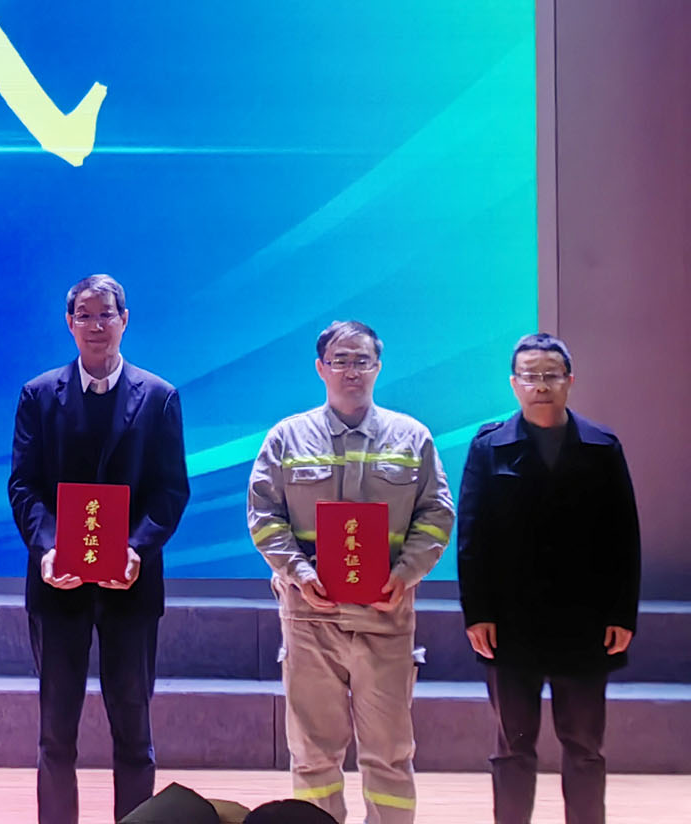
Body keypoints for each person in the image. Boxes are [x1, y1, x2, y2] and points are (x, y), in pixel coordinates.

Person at [247, 321, 455, 824]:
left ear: (378, 367)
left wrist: (406, 573)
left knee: (389, 755)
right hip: (310, 619)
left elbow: (437, 513)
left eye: (362, 360)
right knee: (313, 755)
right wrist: (298, 572)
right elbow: (263, 515)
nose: (351, 370)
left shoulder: (412, 437)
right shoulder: (287, 437)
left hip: (385, 618)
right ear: (321, 368)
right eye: (340, 360)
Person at [8, 274, 190, 824]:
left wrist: (136, 549)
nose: (95, 325)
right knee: (55, 735)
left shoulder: (158, 397)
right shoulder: (39, 395)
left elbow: (171, 490)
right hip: (57, 585)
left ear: (124, 319)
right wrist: (47, 550)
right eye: (84, 315)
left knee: (133, 732)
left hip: (130, 587)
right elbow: (24, 486)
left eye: (105, 313)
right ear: (69, 323)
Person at [457, 332, 641, 824]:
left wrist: (622, 613)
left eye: (551, 375)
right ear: (514, 384)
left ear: (569, 381)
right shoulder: (490, 446)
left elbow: (624, 536)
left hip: (584, 621)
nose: (541, 385)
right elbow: (471, 536)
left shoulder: (601, 446)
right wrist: (477, 614)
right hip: (509, 622)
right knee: (512, 746)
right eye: (530, 376)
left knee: (584, 746)